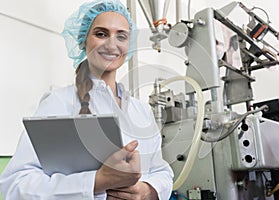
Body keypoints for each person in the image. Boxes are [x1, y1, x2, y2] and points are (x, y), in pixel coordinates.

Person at [0, 0, 174, 199]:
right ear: (84, 40)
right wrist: (97, 182)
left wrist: (146, 191)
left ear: (129, 45)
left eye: (121, 36)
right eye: (101, 34)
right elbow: (15, 185)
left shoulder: (141, 111)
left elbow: (162, 172)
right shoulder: (59, 102)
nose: (111, 44)